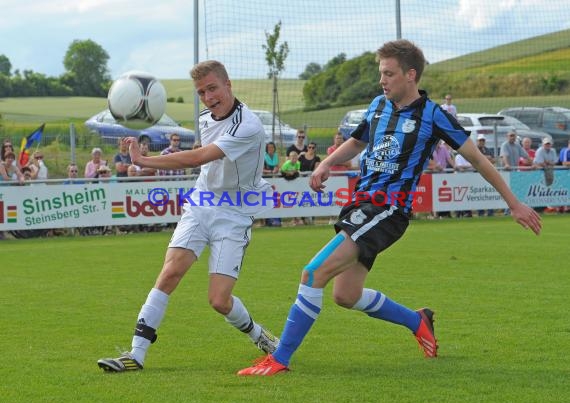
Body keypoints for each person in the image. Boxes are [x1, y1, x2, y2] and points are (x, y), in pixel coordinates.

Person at [237, 39, 541, 376]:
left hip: (387, 210)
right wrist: (325, 164)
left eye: (389, 73)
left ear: (411, 75)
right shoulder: (378, 106)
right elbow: (356, 141)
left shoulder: (433, 115)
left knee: (312, 272)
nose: (382, 80)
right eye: (381, 73)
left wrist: (514, 204)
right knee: (345, 294)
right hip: (362, 206)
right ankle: (418, 320)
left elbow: (477, 159)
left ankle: (279, 358)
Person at [97, 60, 279, 373]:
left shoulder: (248, 126)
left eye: (213, 88)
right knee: (169, 273)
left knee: (219, 301)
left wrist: (143, 160)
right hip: (201, 203)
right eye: (202, 92)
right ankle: (136, 354)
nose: (208, 97)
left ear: (228, 84)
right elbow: (203, 157)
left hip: (234, 213)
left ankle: (259, 335)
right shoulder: (206, 119)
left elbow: (198, 157)